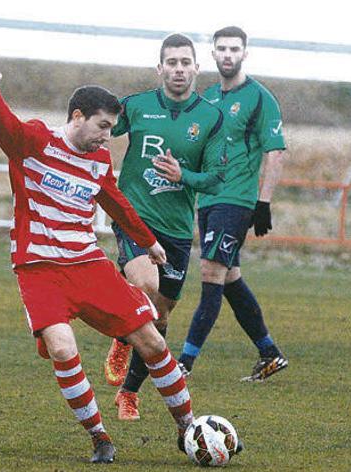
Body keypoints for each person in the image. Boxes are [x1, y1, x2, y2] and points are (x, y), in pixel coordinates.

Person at [0, 64, 196, 464]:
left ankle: (189, 428)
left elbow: (117, 203)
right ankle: (99, 436)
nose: (107, 136)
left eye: (112, 128)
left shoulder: (97, 161)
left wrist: (150, 243)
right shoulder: (34, 141)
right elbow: (2, 122)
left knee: (152, 341)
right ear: (77, 117)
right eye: (102, 126)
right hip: (39, 270)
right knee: (62, 349)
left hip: (88, 265)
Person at [101, 34, 228, 421]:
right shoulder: (136, 106)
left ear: (195, 68)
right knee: (145, 284)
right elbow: (100, 128)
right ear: (159, 69)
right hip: (134, 216)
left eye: (184, 62)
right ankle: (122, 340)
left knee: (161, 314)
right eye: (170, 62)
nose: (177, 69)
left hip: (175, 227)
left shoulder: (211, 117)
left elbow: (216, 178)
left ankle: (130, 393)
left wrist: (183, 174)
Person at [178, 26, 288, 381]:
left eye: (234, 49)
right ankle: (269, 353)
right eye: (222, 49)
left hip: (236, 201)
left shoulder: (260, 98)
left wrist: (263, 202)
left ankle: (183, 364)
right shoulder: (209, 97)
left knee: (210, 273)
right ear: (212, 54)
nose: (228, 55)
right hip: (207, 200)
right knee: (229, 278)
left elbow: (275, 151)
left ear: (245, 53)